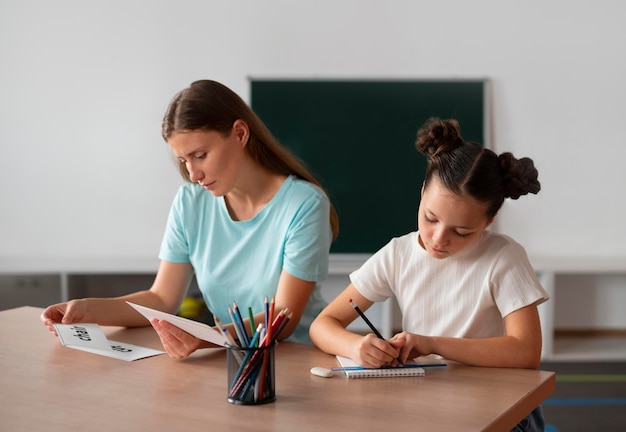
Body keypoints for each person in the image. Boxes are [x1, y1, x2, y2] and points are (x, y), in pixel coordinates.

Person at [41, 79, 339, 358]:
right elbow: (162, 299)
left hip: (295, 359)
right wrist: (84, 310)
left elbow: (283, 317)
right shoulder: (190, 202)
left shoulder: (305, 204)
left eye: (200, 155)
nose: (193, 174)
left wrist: (208, 337)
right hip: (229, 356)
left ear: (239, 133)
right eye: (184, 160)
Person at [309, 117, 548, 431]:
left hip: (499, 408)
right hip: (427, 402)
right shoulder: (399, 254)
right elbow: (323, 324)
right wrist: (355, 347)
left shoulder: (503, 257)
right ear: (422, 192)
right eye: (430, 218)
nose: (438, 239)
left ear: (489, 221)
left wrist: (432, 343)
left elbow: (526, 351)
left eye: (461, 232)